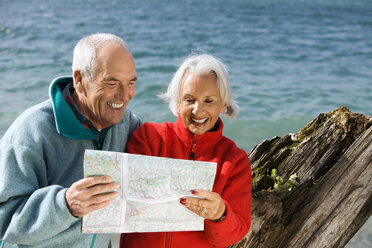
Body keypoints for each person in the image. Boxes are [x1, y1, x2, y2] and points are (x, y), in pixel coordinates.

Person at [0, 33, 141, 247]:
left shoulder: (127, 122)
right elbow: (4, 221)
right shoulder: (29, 131)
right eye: (112, 83)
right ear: (80, 80)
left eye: (130, 83)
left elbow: (169, 148)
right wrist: (65, 205)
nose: (125, 95)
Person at [120, 54, 252, 248]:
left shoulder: (234, 160)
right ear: (177, 102)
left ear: (223, 104)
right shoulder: (149, 138)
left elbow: (234, 233)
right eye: (189, 99)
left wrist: (220, 214)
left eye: (209, 101)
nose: (197, 110)